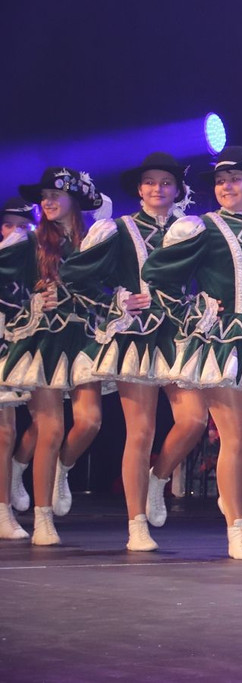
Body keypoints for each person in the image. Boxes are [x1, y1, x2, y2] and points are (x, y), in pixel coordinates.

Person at [143, 146, 242, 560]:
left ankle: (234, 495)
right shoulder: (205, 228)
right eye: (220, 181)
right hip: (225, 342)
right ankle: (237, 528)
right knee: (236, 439)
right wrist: (192, 312)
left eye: (235, 179)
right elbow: (158, 275)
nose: (226, 186)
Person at [60, 153, 209, 551]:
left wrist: (209, 303)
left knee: (194, 420)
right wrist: (116, 301)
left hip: (179, 335)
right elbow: (75, 275)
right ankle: (136, 524)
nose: (157, 188)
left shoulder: (192, 228)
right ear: (139, 189)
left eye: (166, 182)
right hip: (136, 337)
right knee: (140, 432)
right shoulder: (121, 229)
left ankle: (158, 479)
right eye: (150, 182)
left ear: (178, 190)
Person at [2, 168, 106, 545]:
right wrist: (31, 302)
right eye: (44, 196)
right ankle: (43, 519)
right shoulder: (30, 242)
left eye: (56, 195)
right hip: (44, 341)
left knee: (90, 421)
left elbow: (109, 285)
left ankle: (59, 469)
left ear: (74, 199)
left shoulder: (95, 239)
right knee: (51, 429)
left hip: (85, 341)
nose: (47, 202)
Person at [0, 198, 35, 540]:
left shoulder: (37, 259)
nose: (16, 232)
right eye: (9, 225)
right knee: (5, 432)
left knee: (48, 422)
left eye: (23, 226)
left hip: (25, 346)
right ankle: (3, 512)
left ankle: (16, 471)